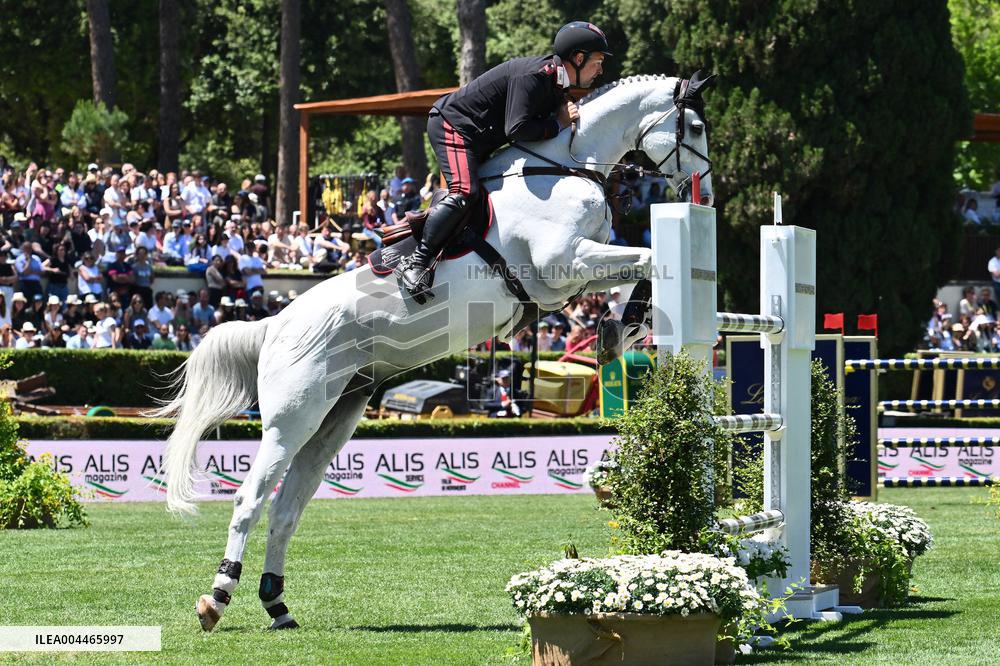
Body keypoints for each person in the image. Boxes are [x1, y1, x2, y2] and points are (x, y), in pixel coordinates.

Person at [395, 21, 610, 299]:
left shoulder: (556, 84)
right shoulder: (535, 75)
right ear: (579, 59)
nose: (600, 70)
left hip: (478, 138)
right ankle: (416, 262)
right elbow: (517, 128)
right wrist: (557, 124)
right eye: (598, 62)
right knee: (464, 193)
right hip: (454, 127)